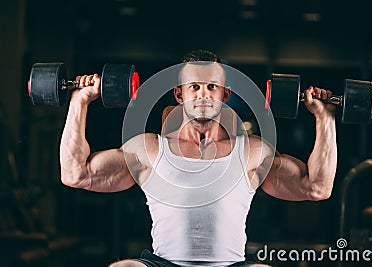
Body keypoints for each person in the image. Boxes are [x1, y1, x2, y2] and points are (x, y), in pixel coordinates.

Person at [60, 50, 337, 267]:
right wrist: (79, 102)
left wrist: (325, 118)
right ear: (179, 94)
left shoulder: (253, 151)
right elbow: (76, 174)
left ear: (225, 95)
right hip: (164, 264)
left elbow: (316, 188)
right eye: (194, 87)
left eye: (212, 87)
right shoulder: (149, 149)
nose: (203, 94)